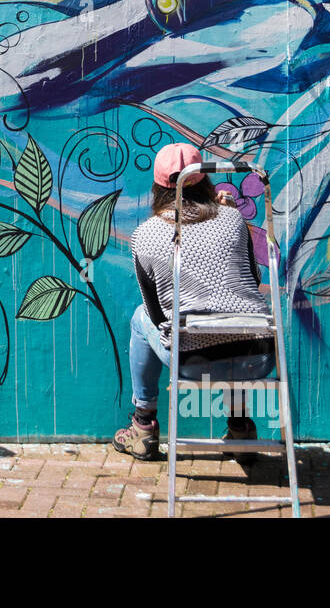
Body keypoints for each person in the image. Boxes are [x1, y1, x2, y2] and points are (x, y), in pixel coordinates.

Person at [113, 142, 274, 463]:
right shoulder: (233, 219)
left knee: (140, 317)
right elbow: (252, 281)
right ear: (206, 181)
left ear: (158, 188)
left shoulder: (145, 235)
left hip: (191, 362)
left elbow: (158, 315)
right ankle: (240, 428)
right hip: (259, 359)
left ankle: (143, 425)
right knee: (233, 316)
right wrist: (228, 214)